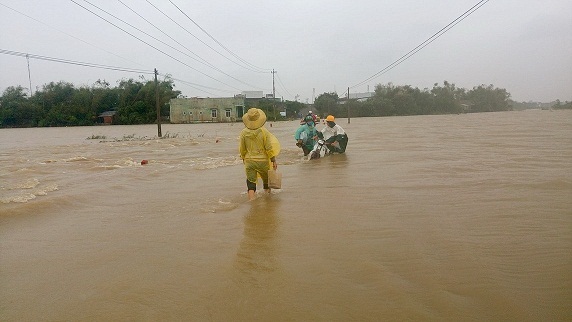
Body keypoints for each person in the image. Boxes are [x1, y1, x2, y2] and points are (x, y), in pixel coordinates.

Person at [239, 108, 281, 200]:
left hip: (249, 161)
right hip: (263, 161)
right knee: (266, 182)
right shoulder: (264, 131)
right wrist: (273, 160)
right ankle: (267, 200)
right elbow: (269, 148)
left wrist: (243, 158)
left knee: (251, 182)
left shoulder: (243, 132)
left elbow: (242, 148)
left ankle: (252, 201)